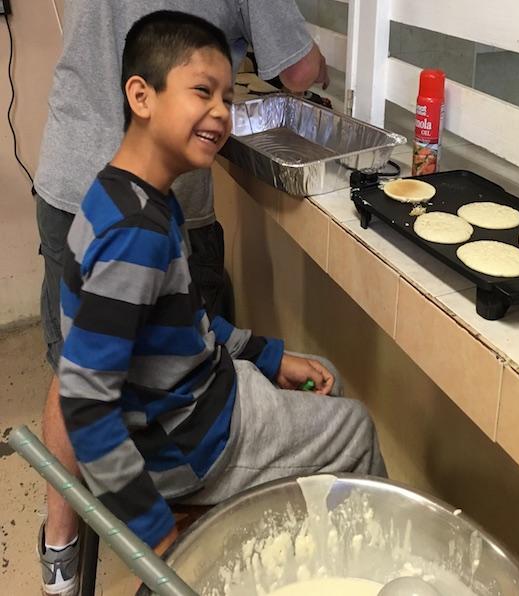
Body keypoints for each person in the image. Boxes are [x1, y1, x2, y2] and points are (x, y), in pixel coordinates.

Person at [37, 11, 385, 596]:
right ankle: (343, 576)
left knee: (316, 387)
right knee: (354, 428)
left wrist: (270, 358)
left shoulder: (124, 193)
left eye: (227, 94)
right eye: (202, 91)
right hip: (194, 441)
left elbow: (184, 323)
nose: (222, 112)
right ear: (141, 96)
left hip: (203, 391)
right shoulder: (137, 236)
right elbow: (87, 404)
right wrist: (161, 539)